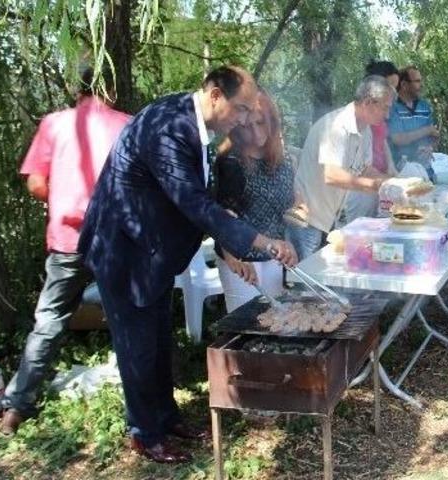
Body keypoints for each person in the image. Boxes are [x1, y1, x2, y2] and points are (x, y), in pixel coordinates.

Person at [78, 66, 299, 464]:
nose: (248, 118)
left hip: (154, 253)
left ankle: (166, 417)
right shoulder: (168, 126)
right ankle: (145, 434)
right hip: (125, 251)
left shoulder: (195, 127)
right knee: (138, 347)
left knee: (159, 339)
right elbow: (193, 202)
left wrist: (239, 244)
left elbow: (204, 198)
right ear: (215, 95)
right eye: (243, 108)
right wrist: (258, 242)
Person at [0, 68, 131, 435]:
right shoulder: (126, 125)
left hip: (68, 240)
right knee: (125, 319)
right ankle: (136, 403)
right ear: (111, 88)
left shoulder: (54, 124)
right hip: (113, 239)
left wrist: (59, 199)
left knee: (50, 321)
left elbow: (37, 183)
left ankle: (16, 407)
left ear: (76, 89)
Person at [290, 75, 394, 260]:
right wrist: (374, 186)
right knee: (305, 282)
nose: (387, 115)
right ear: (369, 102)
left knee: (323, 278)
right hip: (307, 217)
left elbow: (364, 170)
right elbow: (332, 175)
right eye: (385, 107)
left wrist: (391, 182)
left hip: (329, 219)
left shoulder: (366, 129)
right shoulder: (336, 126)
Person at [214, 85, 294, 311]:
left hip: (272, 255)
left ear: (272, 121)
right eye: (247, 125)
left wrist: (289, 244)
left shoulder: (281, 161)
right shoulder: (231, 163)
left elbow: (285, 208)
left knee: (275, 321)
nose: (255, 132)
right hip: (240, 258)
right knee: (245, 327)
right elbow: (220, 216)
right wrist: (232, 258)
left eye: (260, 122)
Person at [343, 61, 400, 221]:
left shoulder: (374, 118)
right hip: (358, 189)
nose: (393, 90)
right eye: (390, 85)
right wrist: (379, 183)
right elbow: (337, 174)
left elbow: (381, 144)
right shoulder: (350, 122)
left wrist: (391, 172)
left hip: (374, 183)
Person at [388, 66, 439, 174]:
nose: (421, 85)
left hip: (426, 171)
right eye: (417, 81)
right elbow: (398, 138)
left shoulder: (425, 106)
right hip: (400, 172)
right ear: (404, 85)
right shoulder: (392, 107)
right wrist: (427, 130)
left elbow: (434, 136)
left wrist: (430, 147)